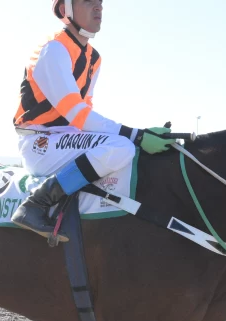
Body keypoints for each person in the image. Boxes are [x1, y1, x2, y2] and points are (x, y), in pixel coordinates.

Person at [11, 0, 176, 241]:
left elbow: (85, 115)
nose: (98, 7)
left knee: (126, 146)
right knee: (122, 146)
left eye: (100, 3)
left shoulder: (93, 58)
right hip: (40, 143)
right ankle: (36, 203)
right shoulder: (54, 49)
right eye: (88, 2)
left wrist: (137, 135)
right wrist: (137, 135)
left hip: (67, 139)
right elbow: (77, 113)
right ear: (65, 9)